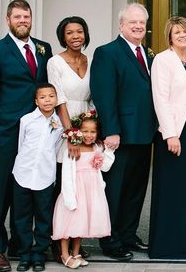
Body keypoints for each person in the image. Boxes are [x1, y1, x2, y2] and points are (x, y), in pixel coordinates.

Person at [0, 0, 52, 272]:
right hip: (7, 133)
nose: (23, 21)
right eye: (18, 16)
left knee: (29, 188)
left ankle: (21, 242)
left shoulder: (43, 48)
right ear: (8, 20)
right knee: (2, 192)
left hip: (37, 133)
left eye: (27, 16)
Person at [90, 2, 157, 261]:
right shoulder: (108, 52)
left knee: (136, 189)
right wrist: (112, 131)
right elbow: (104, 95)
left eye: (142, 22)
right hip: (120, 135)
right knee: (114, 189)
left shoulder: (149, 54)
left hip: (144, 133)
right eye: (133, 22)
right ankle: (110, 238)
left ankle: (128, 233)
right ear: (121, 25)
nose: (138, 26)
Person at [149, 16, 186, 259]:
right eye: (177, 32)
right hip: (175, 132)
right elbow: (160, 98)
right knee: (173, 188)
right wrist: (171, 134)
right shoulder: (163, 60)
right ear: (169, 37)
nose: (182, 35)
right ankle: (167, 245)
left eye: (185, 31)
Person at [47, 16, 94, 261]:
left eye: (79, 31)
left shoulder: (89, 60)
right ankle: (57, 242)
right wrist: (71, 135)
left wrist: (87, 131)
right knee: (63, 187)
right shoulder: (55, 62)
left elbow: (92, 98)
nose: (75, 36)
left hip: (85, 127)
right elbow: (59, 99)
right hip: (64, 127)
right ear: (62, 37)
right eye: (69, 33)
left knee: (82, 187)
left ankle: (76, 240)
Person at [11, 83, 63, 272]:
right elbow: (20, 145)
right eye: (42, 97)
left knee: (43, 217)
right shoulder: (27, 120)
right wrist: (22, 167)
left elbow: (56, 148)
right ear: (36, 101)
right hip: (23, 173)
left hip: (45, 176)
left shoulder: (60, 124)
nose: (47, 100)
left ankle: (39, 254)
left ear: (56, 99)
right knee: (22, 217)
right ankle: (25, 255)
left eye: (51, 96)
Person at [51, 112, 113, 269]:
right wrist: (68, 196)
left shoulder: (97, 147)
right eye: (85, 131)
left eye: (93, 131)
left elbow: (105, 166)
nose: (89, 135)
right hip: (74, 191)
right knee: (68, 224)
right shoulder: (72, 149)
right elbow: (65, 175)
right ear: (78, 131)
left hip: (90, 191)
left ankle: (76, 252)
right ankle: (64, 254)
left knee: (81, 223)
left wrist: (109, 151)